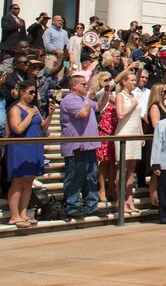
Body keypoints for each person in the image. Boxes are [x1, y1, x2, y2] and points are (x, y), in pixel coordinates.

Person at [60, 73, 109, 218]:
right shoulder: (69, 100)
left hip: (89, 145)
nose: (86, 86)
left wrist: (106, 92)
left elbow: (99, 107)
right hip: (76, 146)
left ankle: (91, 205)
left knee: (90, 176)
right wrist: (87, 105)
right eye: (83, 84)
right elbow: (82, 114)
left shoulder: (84, 99)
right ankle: (71, 205)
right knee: (74, 176)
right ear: (74, 86)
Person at [5, 80, 48, 227]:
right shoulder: (15, 109)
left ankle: (24, 213)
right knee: (18, 180)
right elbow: (17, 128)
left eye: (34, 92)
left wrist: (52, 113)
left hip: (34, 145)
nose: (33, 95)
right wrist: (29, 115)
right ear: (22, 92)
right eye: (30, 92)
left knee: (29, 181)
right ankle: (14, 215)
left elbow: (43, 126)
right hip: (20, 147)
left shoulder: (34, 107)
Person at [112, 67, 144, 214]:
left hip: (135, 133)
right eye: (132, 80)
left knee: (132, 168)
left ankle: (129, 198)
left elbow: (137, 118)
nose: (134, 83)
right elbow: (120, 115)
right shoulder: (120, 96)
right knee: (123, 167)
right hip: (123, 132)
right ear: (124, 82)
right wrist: (132, 105)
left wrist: (141, 134)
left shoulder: (134, 96)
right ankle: (120, 199)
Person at [91, 72, 118, 203]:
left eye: (109, 80)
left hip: (114, 130)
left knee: (113, 162)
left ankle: (111, 187)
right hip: (104, 130)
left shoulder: (114, 95)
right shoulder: (100, 95)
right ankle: (101, 188)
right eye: (105, 80)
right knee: (104, 162)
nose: (108, 82)